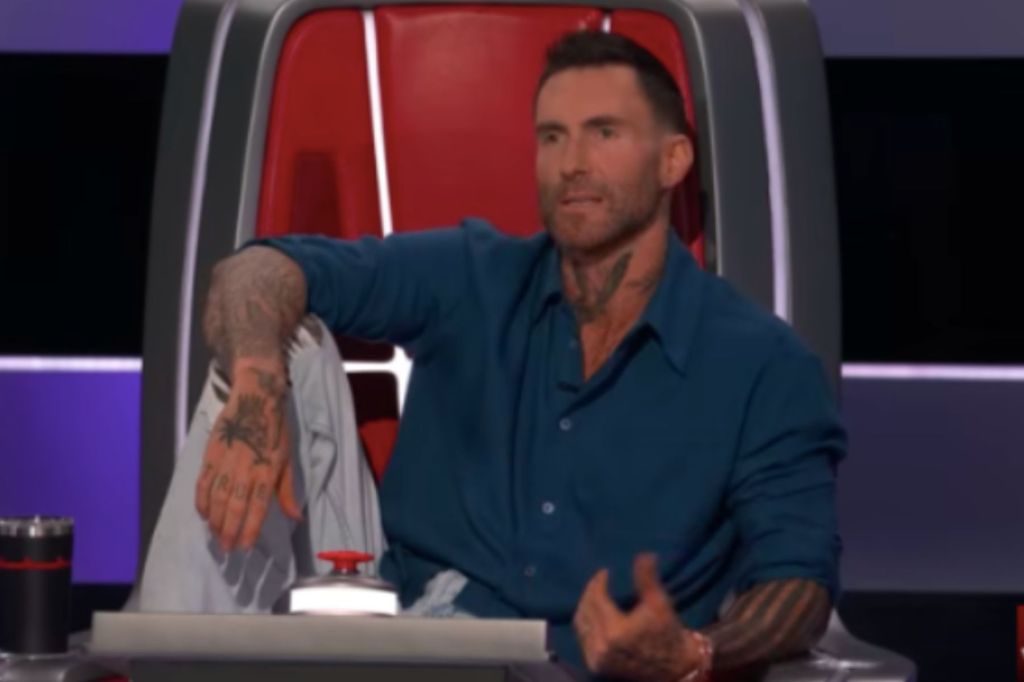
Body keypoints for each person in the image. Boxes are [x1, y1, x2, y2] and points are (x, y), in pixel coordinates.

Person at [140, 30, 845, 681]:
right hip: (405, 636)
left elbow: (799, 586)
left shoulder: (762, 363)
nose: (572, 164)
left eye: (604, 133)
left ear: (672, 160)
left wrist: (696, 652)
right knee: (275, 340)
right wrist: (258, 385)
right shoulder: (474, 274)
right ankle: (164, 667)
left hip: (589, 672)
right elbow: (254, 270)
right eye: (552, 136)